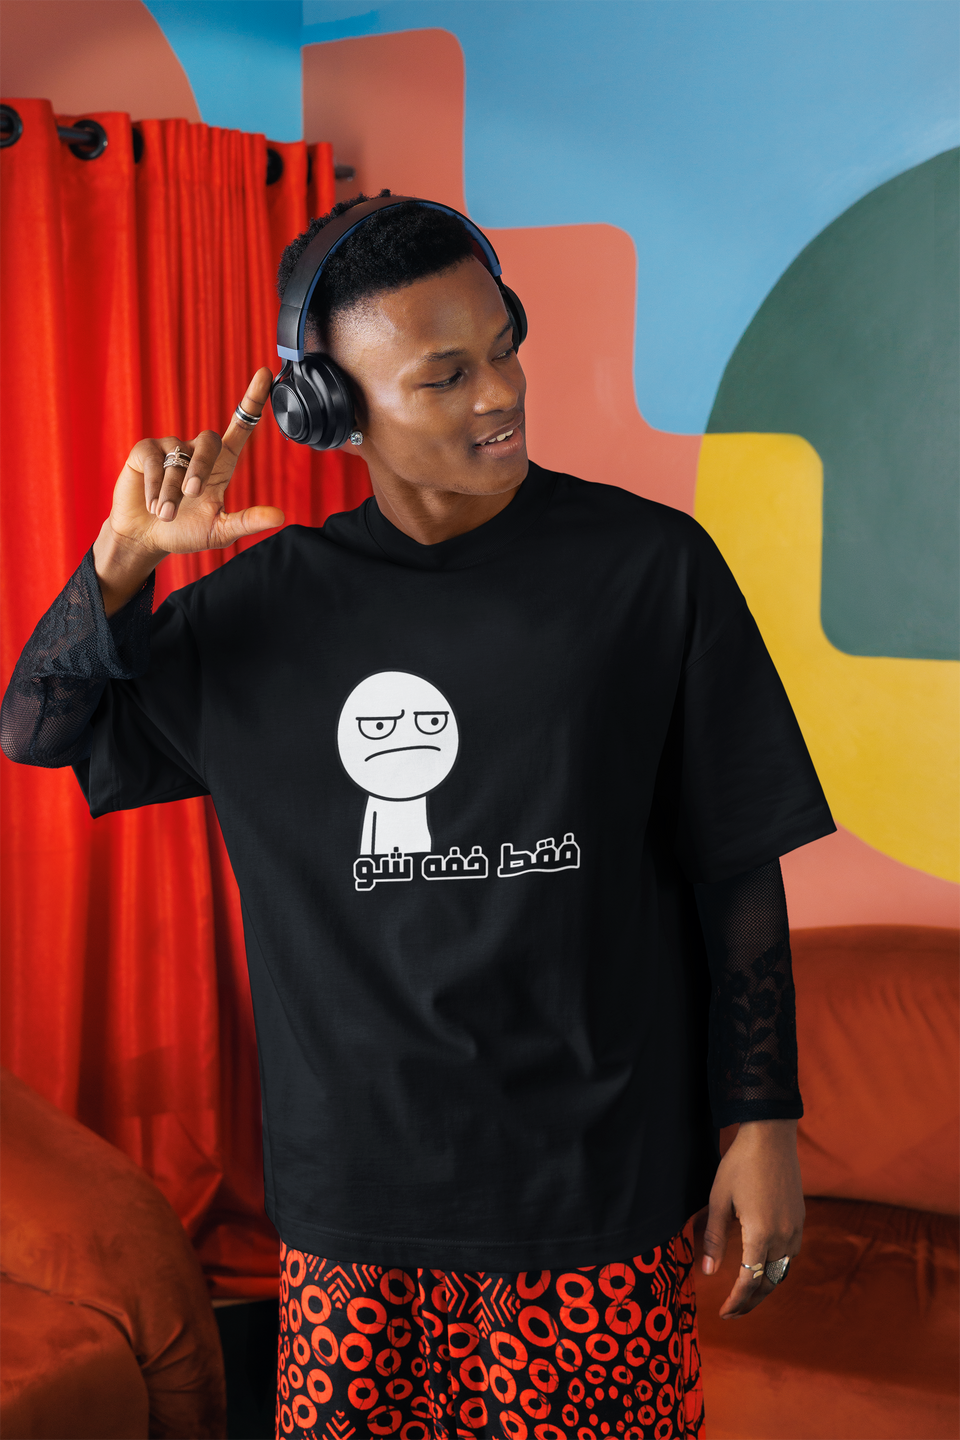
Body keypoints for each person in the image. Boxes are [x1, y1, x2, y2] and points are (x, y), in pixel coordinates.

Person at [1, 195, 835, 1439]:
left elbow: (735, 863)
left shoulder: (653, 569)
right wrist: (123, 561)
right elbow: (38, 727)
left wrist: (762, 1122)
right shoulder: (263, 612)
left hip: (593, 1194)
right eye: (446, 376)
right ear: (330, 408)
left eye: (505, 346)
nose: (500, 393)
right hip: (353, 1210)